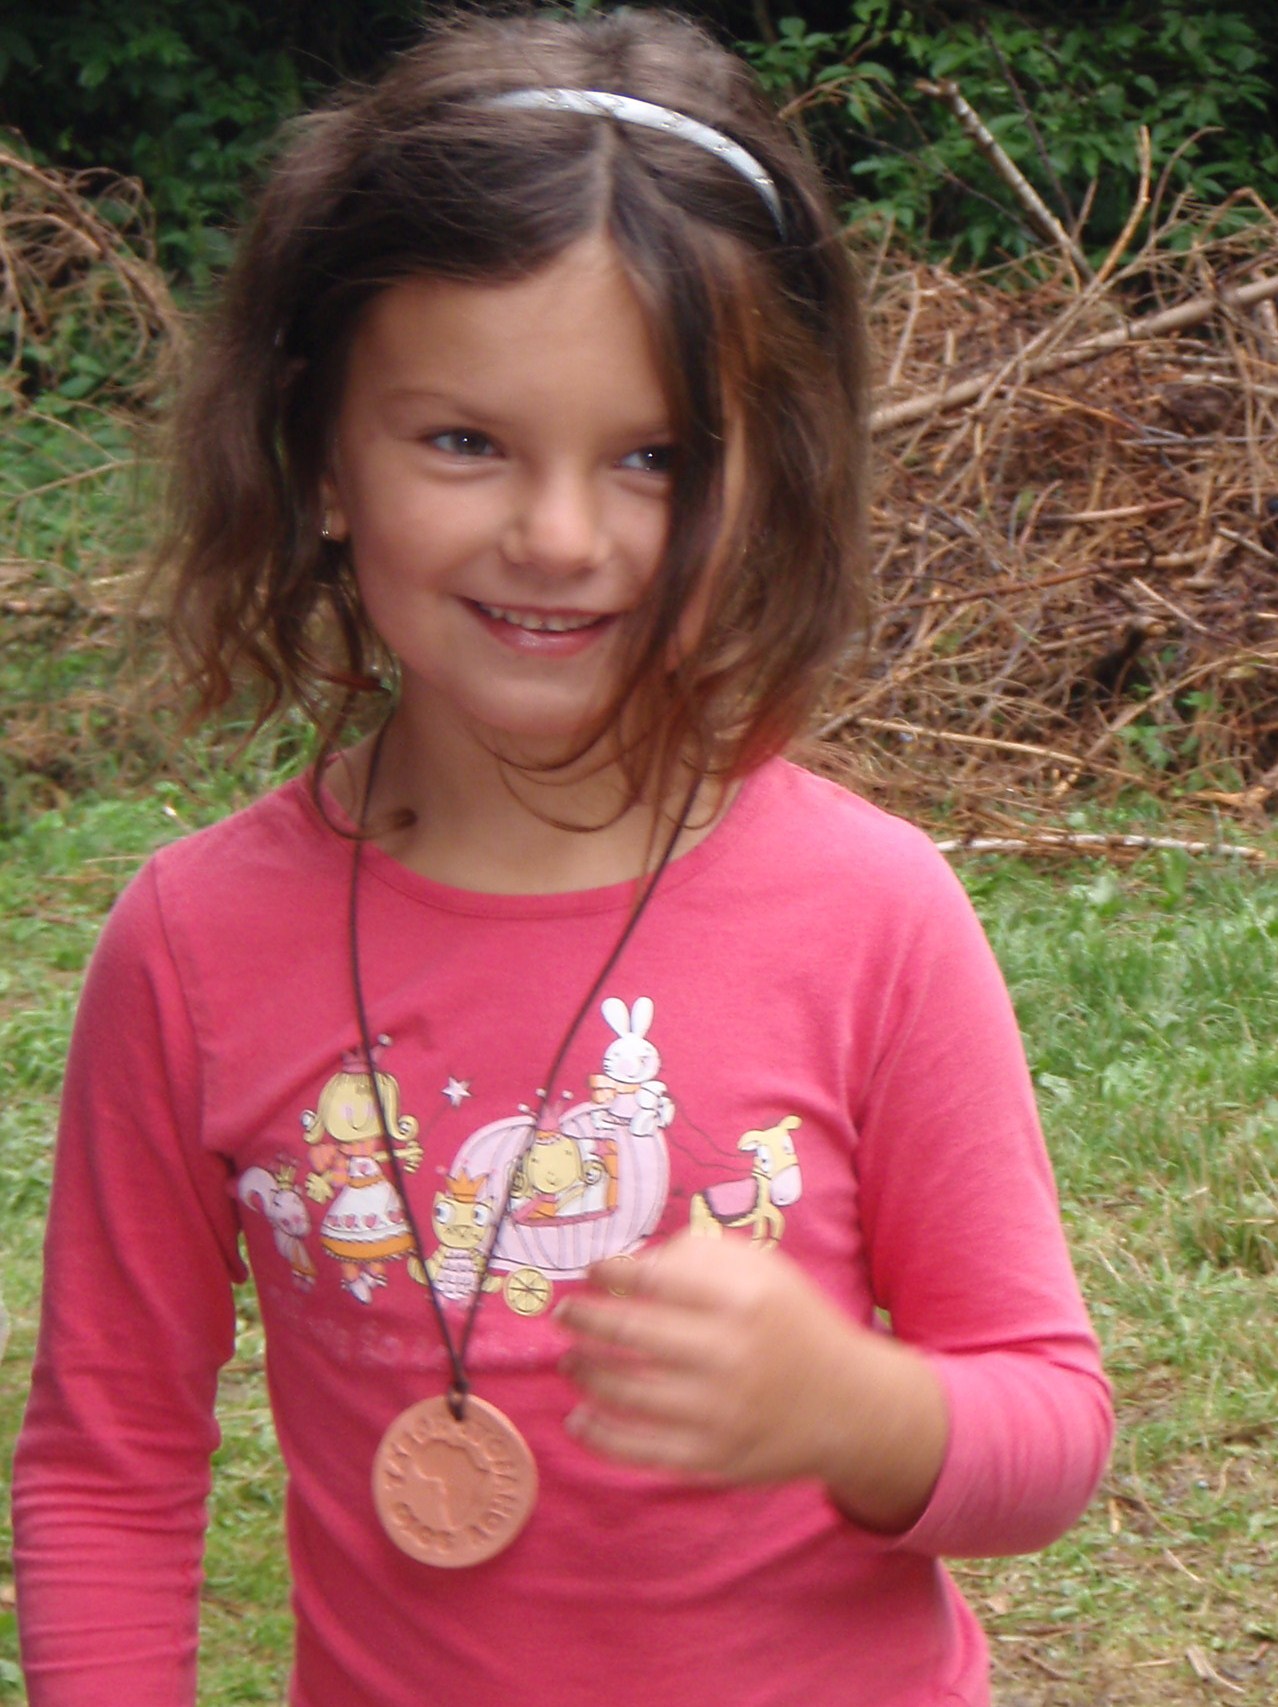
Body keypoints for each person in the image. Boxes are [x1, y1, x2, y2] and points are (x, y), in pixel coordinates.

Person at [11, 9, 1113, 1706]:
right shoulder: (190, 944)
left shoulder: (872, 916)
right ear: (318, 453)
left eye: (653, 457)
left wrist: (861, 1410)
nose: (559, 535)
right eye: (464, 441)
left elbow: (1047, 1432)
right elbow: (111, 1463)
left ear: (768, 480)